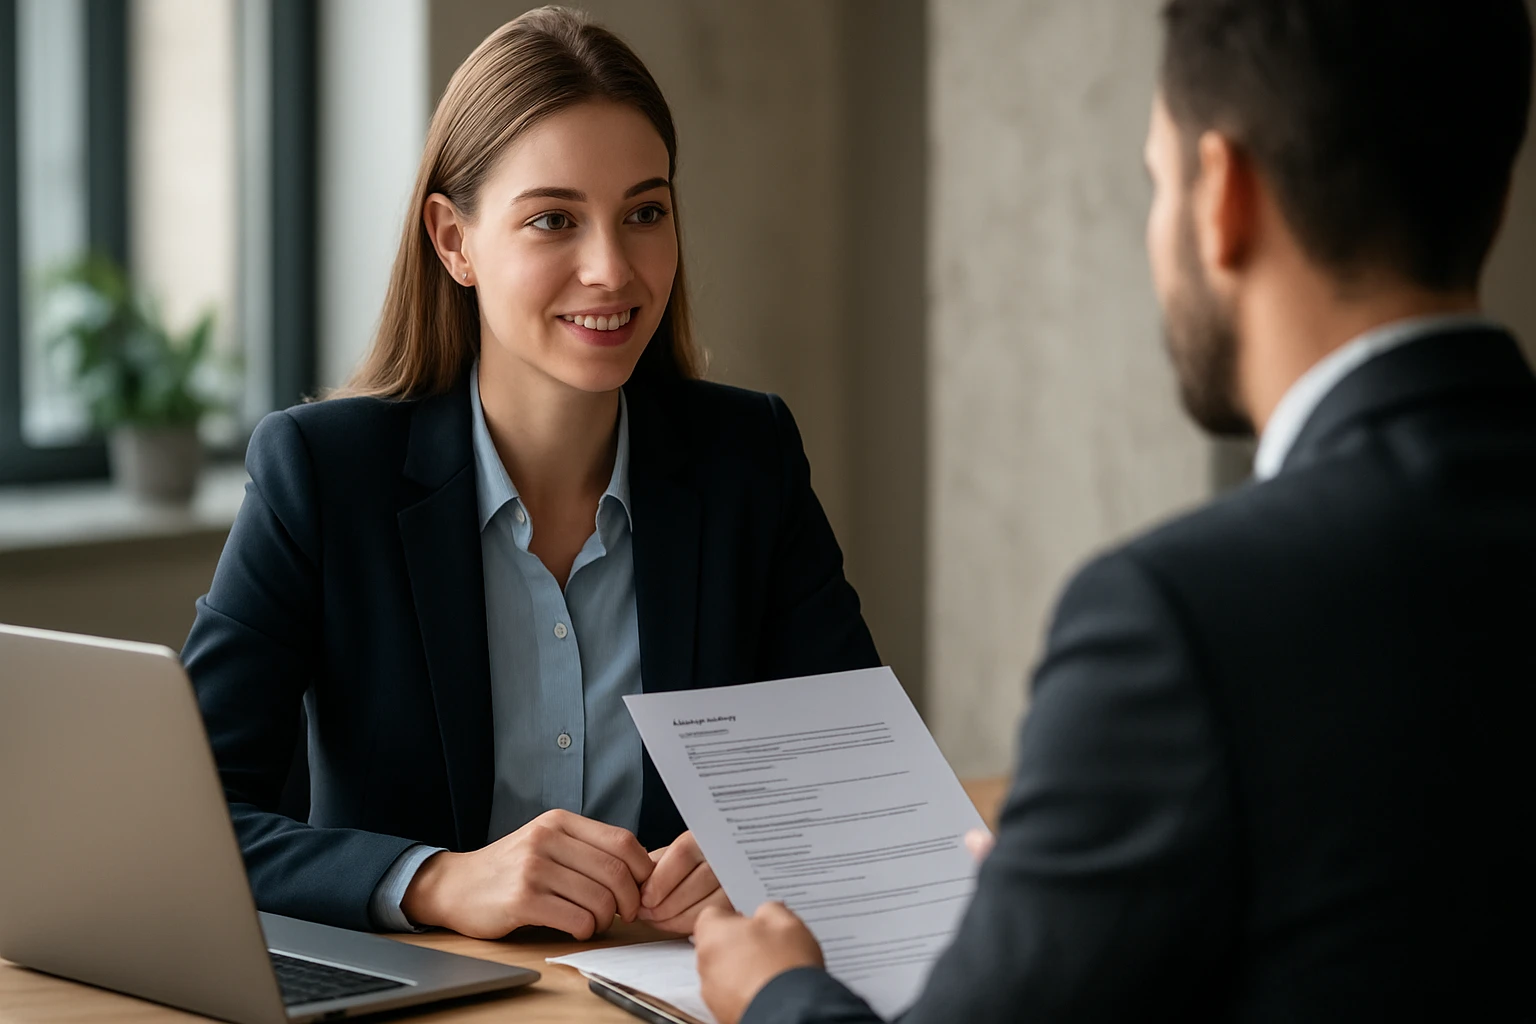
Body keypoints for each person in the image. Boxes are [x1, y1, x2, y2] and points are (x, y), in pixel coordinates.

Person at [693, 0, 1536, 1020]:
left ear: (1223, 194)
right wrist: (1084, 890)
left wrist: (776, 990)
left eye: (1156, 178)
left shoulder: (1176, 619)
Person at [182, 7, 877, 942]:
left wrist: (766, 850)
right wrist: (435, 881)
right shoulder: (320, 475)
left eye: (645, 213)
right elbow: (192, 821)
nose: (612, 268)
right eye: (554, 219)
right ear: (453, 241)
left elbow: (859, 784)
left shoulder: (746, 459)